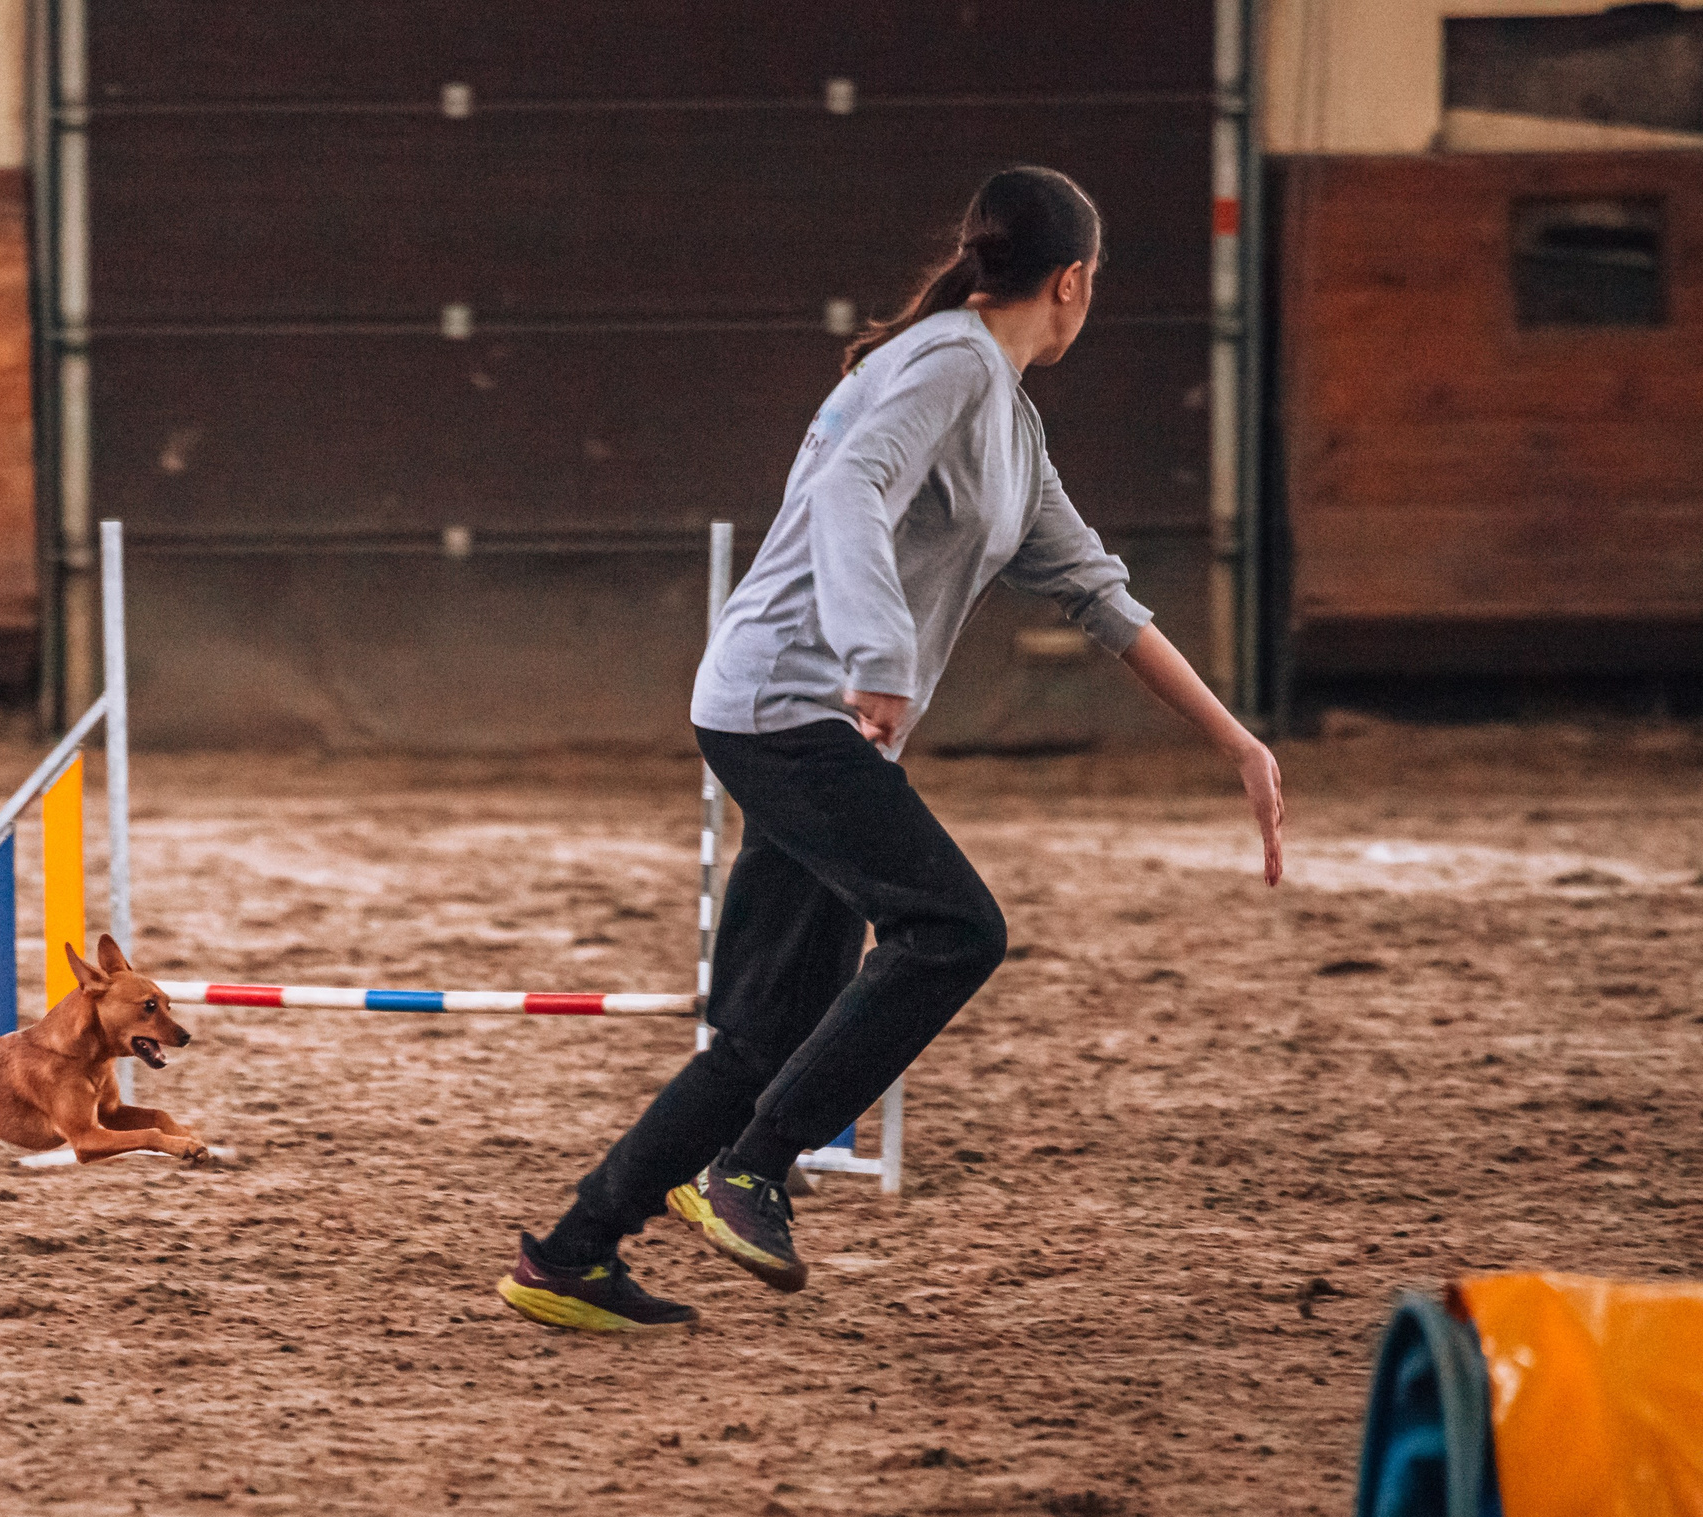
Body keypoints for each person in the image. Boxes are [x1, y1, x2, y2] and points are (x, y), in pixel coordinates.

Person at [495, 165, 1287, 1334]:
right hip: (790, 704)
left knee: (765, 1024)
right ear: (1071, 282)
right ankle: (754, 1168)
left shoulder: (1001, 412)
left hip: (795, 711)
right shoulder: (951, 364)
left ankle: (571, 1254)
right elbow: (854, 487)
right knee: (954, 928)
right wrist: (878, 651)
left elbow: (1093, 589)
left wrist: (1235, 743)